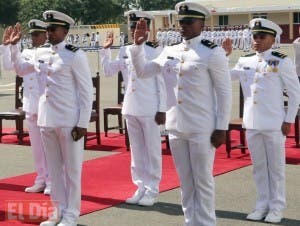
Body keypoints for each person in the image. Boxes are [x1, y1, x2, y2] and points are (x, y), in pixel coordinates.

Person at [130, 1, 232, 225]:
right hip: (176, 126)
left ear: (201, 24)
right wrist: (138, 47)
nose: (183, 25)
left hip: (202, 127)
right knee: (185, 182)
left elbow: (224, 93)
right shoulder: (170, 50)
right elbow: (144, 72)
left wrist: (221, 127)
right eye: (181, 21)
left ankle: (205, 222)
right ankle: (190, 221)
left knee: (202, 181)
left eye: (188, 21)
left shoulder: (212, 52)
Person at [224, 18, 300, 223]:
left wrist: (289, 120)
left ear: (272, 39)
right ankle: (261, 205)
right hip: (252, 123)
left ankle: (276, 207)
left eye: (261, 36)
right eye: (254, 36)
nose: (256, 40)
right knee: (258, 167)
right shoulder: (245, 60)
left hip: (275, 123)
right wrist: (223, 57)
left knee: (275, 168)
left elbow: (294, 92)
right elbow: (224, 76)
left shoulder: (281, 60)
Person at [100, 10, 167, 207]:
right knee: (137, 152)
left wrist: (162, 108)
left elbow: (161, 82)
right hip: (131, 106)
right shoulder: (125, 50)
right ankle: (140, 186)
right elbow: (109, 71)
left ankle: (152, 189)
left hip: (150, 108)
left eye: (138, 27)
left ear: (147, 29)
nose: (134, 31)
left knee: (152, 151)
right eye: (131, 27)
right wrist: (105, 52)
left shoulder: (157, 50)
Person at [33, 10, 93, 226]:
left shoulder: (75, 55)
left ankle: (71, 215)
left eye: (53, 29)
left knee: (72, 171)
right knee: (54, 172)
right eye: (47, 29)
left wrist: (83, 123)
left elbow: (86, 92)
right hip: (46, 120)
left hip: (69, 122)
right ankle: (57, 211)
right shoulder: (42, 53)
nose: (48, 32)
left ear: (65, 31)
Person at [9, 20, 51, 195]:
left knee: (50, 147)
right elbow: (19, 70)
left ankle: (52, 181)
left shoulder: (51, 53)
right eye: (31, 34)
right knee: (36, 147)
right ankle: (41, 179)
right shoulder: (26, 52)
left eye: (36, 34)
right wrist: (14, 47)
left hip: (46, 105)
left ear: (45, 35)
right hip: (30, 104)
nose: (33, 38)